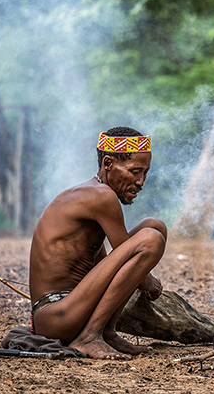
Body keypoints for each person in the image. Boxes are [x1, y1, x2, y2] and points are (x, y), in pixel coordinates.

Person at [29, 126, 167, 360]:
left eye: (145, 173)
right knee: (151, 239)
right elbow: (133, 260)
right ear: (108, 163)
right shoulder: (102, 197)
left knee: (154, 226)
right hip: (57, 317)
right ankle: (89, 336)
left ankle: (107, 332)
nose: (141, 181)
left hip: (72, 310)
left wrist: (142, 277)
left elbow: (109, 265)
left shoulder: (95, 196)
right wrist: (150, 281)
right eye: (134, 171)